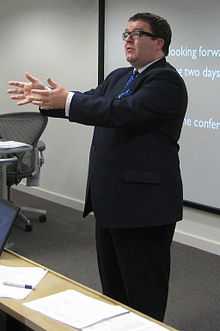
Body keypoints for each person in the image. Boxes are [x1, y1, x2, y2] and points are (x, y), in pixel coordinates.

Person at [8, 12, 188, 321]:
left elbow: (120, 111)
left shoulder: (166, 81)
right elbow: (93, 102)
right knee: (113, 290)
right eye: (125, 34)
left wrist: (67, 100)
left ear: (159, 43)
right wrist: (50, 99)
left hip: (144, 208)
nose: (128, 39)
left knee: (143, 292)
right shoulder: (120, 76)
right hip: (110, 201)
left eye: (137, 34)